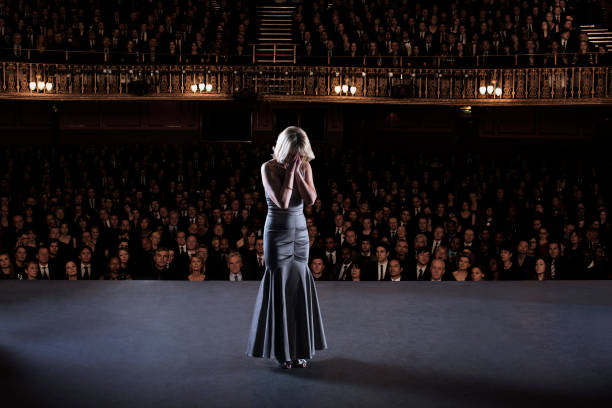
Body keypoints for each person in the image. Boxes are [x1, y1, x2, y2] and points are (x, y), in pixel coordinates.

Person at [246, 126, 327, 369]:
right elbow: (281, 201)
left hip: (300, 233)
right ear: (285, 149)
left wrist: (299, 171)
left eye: (301, 153)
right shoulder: (267, 168)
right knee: (280, 286)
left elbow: (311, 199)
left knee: (298, 286)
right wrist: (291, 171)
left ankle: (301, 350)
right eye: (295, 153)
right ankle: (283, 353)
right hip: (277, 232)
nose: (299, 157)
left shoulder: (305, 165)